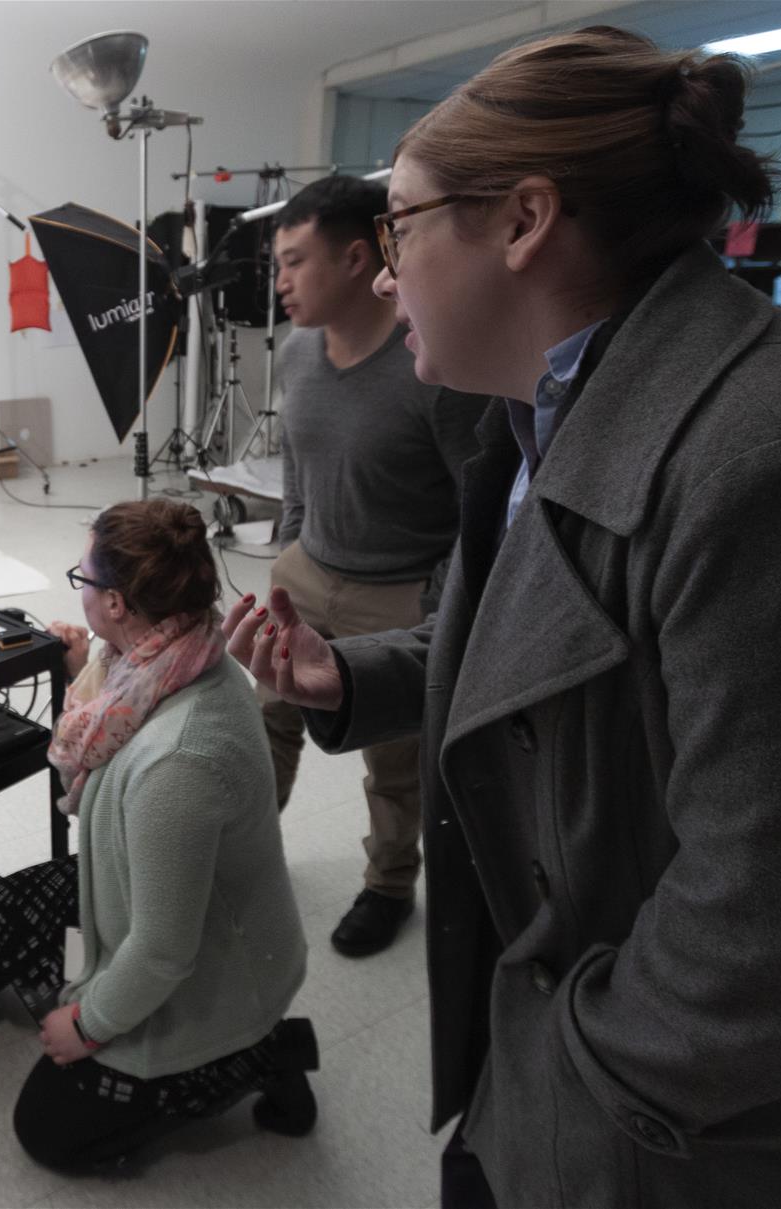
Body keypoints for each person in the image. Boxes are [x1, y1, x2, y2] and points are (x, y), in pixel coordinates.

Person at [225, 26, 781, 1208]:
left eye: (400, 231)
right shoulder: (544, 411)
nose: (381, 274)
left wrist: (566, 1060)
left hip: (775, 1136)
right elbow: (559, 642)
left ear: (523, 221)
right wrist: (354, 679)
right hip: (626, 1066)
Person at [0, 499, 316, 1174]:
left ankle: (260, 1052)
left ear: (118, 603)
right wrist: (78, 670)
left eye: (83, 578)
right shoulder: (176, 650)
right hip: (152, 890)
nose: (80, 588)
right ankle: (93, 995)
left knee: (46, 1130)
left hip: (211, 961)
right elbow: (117, 730)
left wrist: (88, 1022)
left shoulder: (178, 761)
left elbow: (162, 948)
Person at [265, 174, 493, 959]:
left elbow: (482, 503)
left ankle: (390, 885)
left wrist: (438, 606)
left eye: (295, 262)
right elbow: (297, 468)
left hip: (398, 594)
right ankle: (250, 855)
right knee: (265, 722)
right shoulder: (295, 355)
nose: (280, 282)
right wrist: (287, 552)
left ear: (359, 257)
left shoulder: (429, 367)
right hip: (304, 572)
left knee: (394, 767)